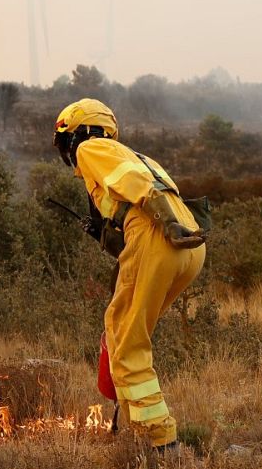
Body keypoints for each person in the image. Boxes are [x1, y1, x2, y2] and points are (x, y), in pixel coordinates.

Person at [54, 98, 206, 449]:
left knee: (126, 341)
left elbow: (139, 188)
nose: (69, 154)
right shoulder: (138, 155)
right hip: (190, 245)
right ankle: (133, 426)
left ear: (79, 132)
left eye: (67, 141)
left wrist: (165, 224)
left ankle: (158, 442)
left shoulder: (92, 148)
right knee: (124, 328)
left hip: (160, 234)